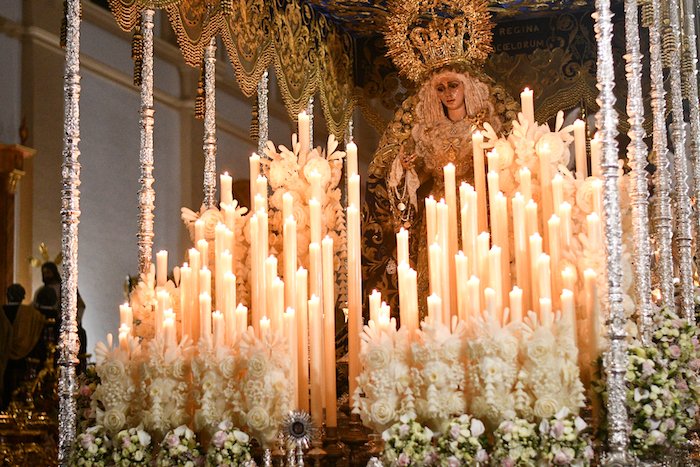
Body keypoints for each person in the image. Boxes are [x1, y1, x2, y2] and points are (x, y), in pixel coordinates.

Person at [362, 0, 518, 319]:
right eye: (441, 88)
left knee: (478, 274)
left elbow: (506, 164)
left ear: (467, 87)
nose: (448, 93)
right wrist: (407, 168)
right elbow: (411, 176)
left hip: (479, 208)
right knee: (438, 277)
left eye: (453, 85)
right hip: (438, 213)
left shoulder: (485, 126)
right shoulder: (427, 132)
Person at [33, 262, 87, 373]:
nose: (46, 275)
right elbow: (35, 308)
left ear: (54, 272)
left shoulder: (67, 287)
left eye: (48, 272)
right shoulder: (40, 291)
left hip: (65, 325)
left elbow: (80, 305)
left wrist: (74, 321)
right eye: (44, 273)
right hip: (47, 327)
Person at [1, 284, 45, 410]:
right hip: (25, 363)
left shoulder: (2, 312)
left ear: (8, 296)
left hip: (3, 359)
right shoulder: (32, 315)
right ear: (23, 297)